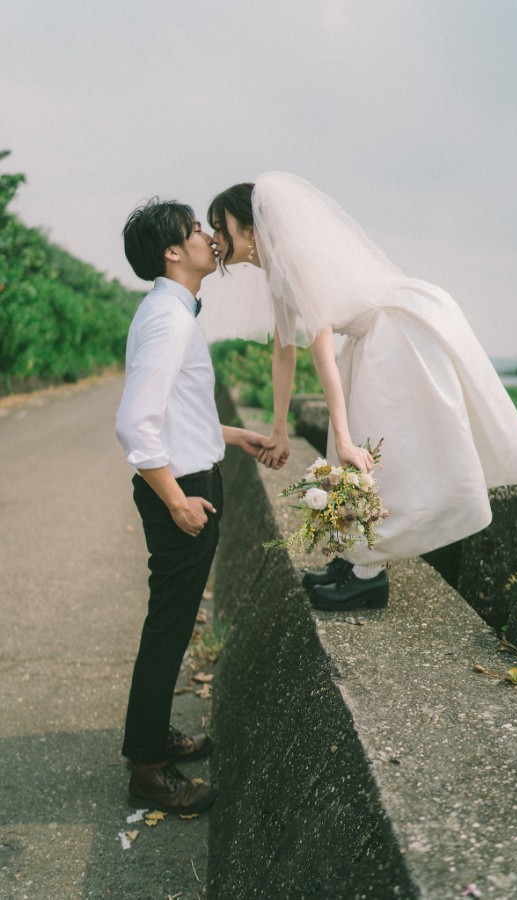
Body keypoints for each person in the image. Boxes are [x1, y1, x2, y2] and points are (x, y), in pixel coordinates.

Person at [205, 172, 517, 612]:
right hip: (376, 336)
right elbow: (284, 351)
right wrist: (278, 429)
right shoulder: (277, 265)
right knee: (354, 444)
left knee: (370, 448)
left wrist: (343, 436)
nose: (215, 237)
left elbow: (322, 346)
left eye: (220, 226)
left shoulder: (293, 255)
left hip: (398, 333)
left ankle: (369, 576)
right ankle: (352, 558)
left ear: (249, 230)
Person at [115, 198, 276, 813]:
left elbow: (177, 413)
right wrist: (179, 501)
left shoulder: (170, 310)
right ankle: (148, 771)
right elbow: (135, 425)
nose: (212, 237)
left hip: (190, 477)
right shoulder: (169, 319)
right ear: (172, 253)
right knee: (168, 630)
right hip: (181, 493)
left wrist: (232, 437)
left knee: (174, 626)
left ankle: (155, 738)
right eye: (195, 232)